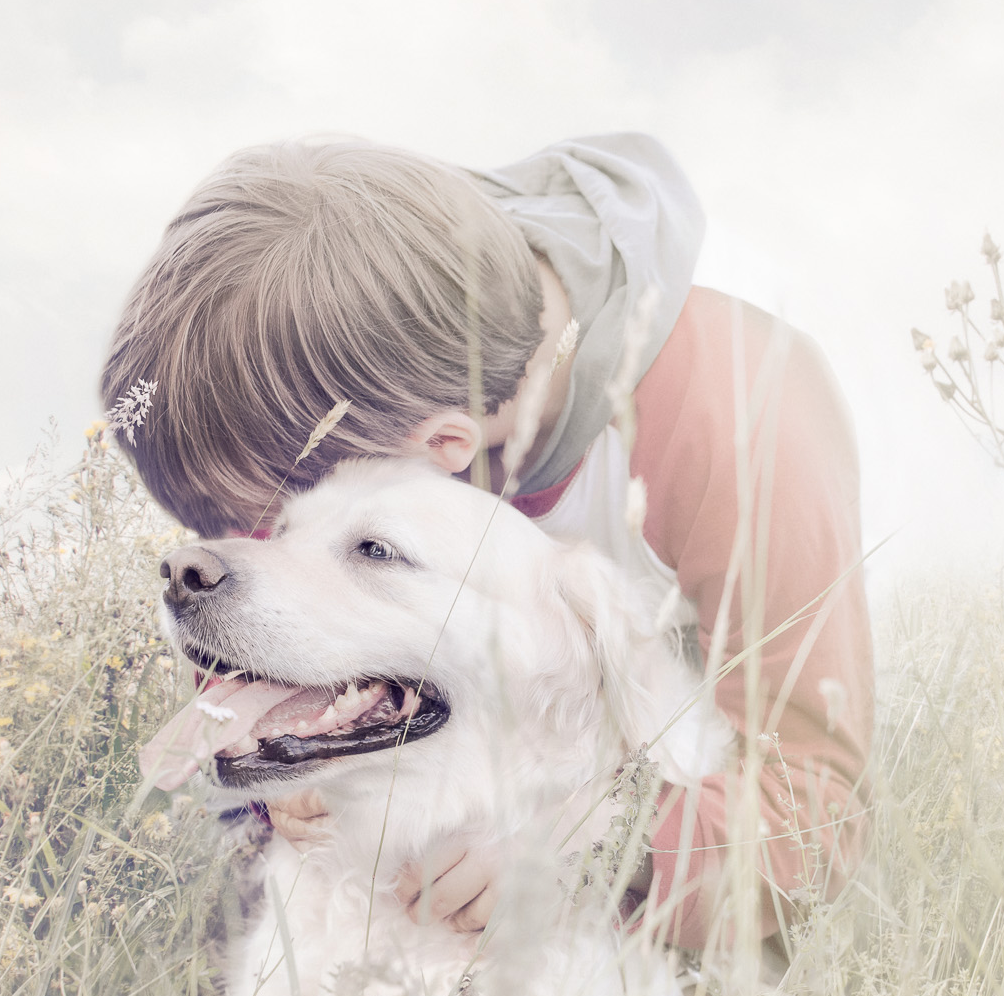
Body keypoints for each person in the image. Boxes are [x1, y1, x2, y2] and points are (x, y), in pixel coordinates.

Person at [101, 134, 871, 953]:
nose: (249, 541)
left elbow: (816, 807)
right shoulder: (323, 332)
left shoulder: (746, 419)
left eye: (278, 509)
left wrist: (597, 843)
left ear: (440, 450)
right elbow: (259, 596)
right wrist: (281, 754)